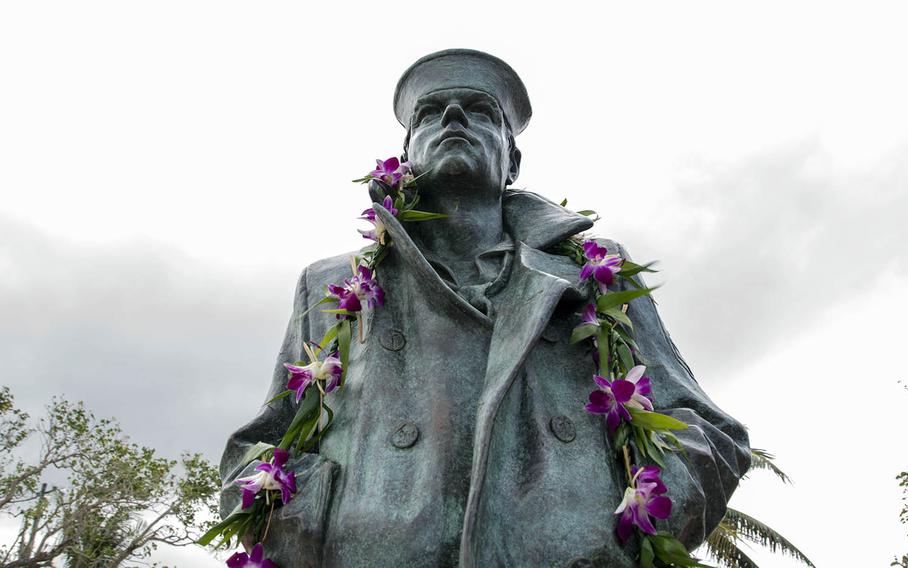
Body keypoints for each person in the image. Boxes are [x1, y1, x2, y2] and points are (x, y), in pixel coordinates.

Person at [220, 49, 751, 568]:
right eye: (430, 113)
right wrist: (325, 526)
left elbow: (709, 433)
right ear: (405, 159)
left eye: (480, 111)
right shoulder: (331, 283)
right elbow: (262, 445)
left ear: (512, 160)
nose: (453, 117)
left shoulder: (593, 271)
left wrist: (606, 532)